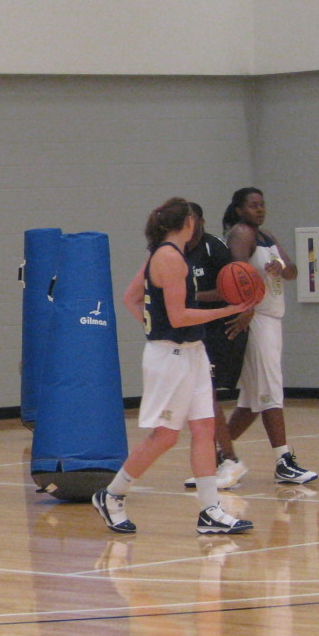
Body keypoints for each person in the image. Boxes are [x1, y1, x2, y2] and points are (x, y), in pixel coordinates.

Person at [92, 197, 254, 536]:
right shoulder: (169, 258)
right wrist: (229, 309)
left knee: (204, 429)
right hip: (172, 356)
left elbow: (130, 297)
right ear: (190, 222)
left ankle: (210, 510)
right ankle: (112, 494)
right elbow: (179, 317)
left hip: (192, 352)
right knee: (164, 436)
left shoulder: (162, 255)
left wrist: (152, 327)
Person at [222, 187, 319, 485]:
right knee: (271, 393)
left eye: (262, 205)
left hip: (272, 320)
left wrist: (282, 266)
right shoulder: (241, 233)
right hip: (256, 319)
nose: (260, 210)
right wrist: (245, 306)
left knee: (251, 402)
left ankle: (216, 456)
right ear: (239, 209)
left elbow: (293, 272)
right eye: (253, 205)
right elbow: (235, 271)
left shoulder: (268, 236)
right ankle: (283, 461)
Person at [181, 202, 251, 490]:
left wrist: (248, 308)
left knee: (207, 396)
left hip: (221, 329)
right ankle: (210, 465)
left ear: (202, 221)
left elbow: (236, 285)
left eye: (193, 219)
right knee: (197, 399)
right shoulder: (174, 251)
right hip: (193, 330)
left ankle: (230, 460)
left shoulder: (215, 249)